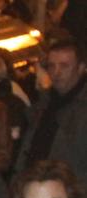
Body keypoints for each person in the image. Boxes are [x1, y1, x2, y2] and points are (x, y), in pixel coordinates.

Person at [17, 39, 87, 175]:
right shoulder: (43, 103)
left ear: (80, 68)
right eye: (51, 66)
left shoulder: (81, 108)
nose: (57, 72)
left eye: (64, 66)